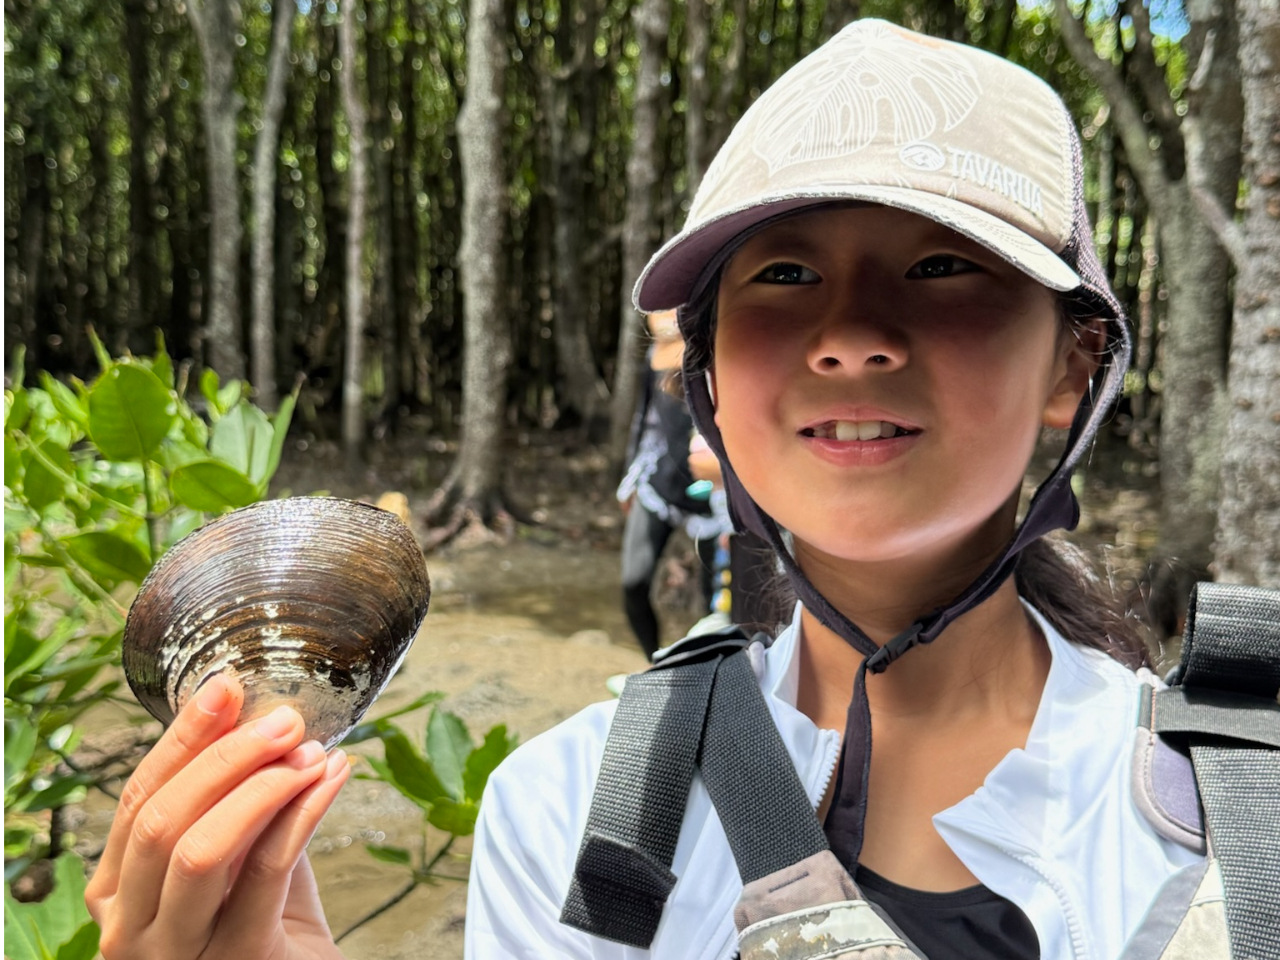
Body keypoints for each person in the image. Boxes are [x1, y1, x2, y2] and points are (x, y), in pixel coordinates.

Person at [465, 20, 1207, 960]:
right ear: (713, 383)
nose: (852, 336)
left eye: (941, 265)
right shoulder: (577, 818)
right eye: (785, 273)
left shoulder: (1235, 823)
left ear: (1073, 365)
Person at [617, 310, 727, 657]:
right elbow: (648, 423)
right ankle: (653, 662)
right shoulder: (656, 357)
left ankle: (710, 679)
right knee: (633, 583)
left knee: (719, 611)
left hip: (720, 501)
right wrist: (631, 480)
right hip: (661, 485)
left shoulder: (733, 357)